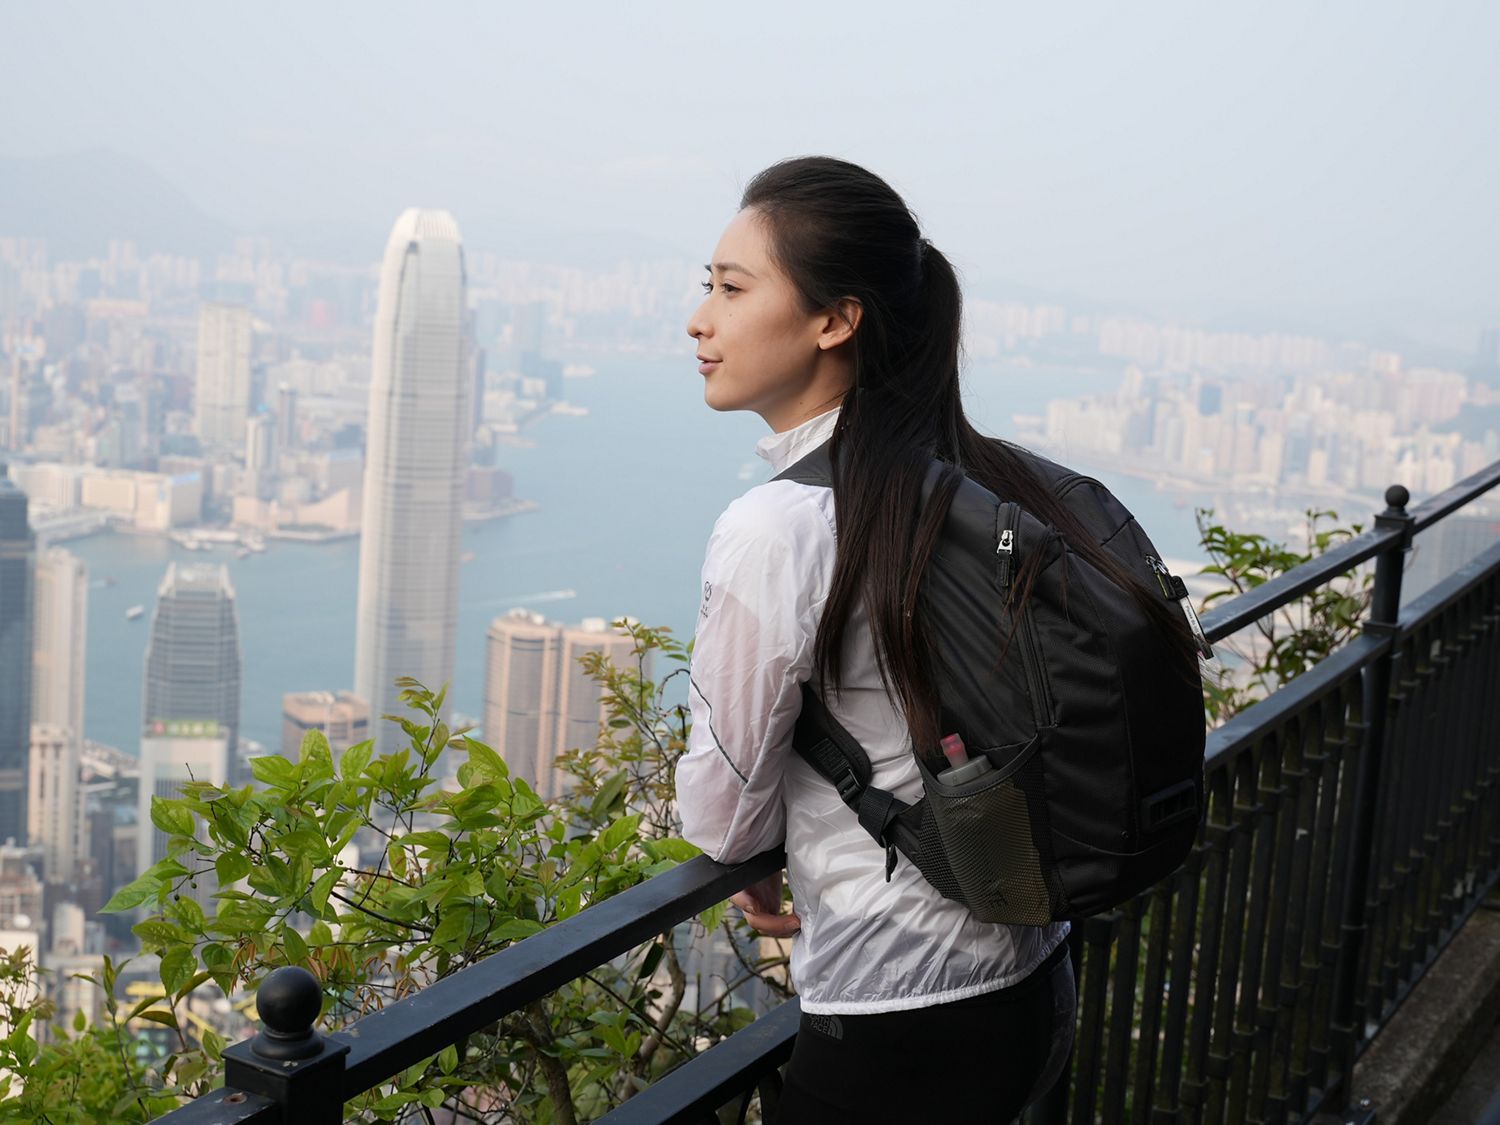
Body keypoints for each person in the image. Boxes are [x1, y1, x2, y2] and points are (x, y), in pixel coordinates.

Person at [676, 156, 1153, 1122]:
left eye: (731, 288)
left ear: (835, 319)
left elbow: (723, 818)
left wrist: (759, 856)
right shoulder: (969, 476)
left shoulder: (776, 528)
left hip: (893, 1012)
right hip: (1031, 972)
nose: (701, 319)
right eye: (707, 287)